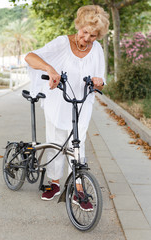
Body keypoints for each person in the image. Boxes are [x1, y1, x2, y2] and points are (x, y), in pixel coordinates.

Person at [25, 5, 109, 206]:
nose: (87, 38)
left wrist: (99, 82)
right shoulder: (62, 42)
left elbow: (102, 78)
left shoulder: (97, 49)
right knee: (56, 142)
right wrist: (50, 69)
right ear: (79, 26)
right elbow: (30, 57)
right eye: (84, 32)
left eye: (93, 35)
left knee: (77, 146)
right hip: (58, 101)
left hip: (81, 104)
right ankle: (54, 183)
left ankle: (77, 188)